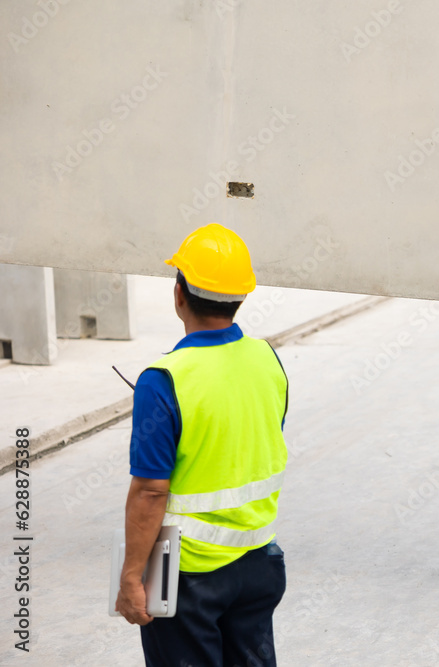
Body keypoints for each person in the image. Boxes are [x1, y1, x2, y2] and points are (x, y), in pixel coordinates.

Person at [115, 223, 290, 667]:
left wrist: (133, 577)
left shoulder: (164, 380)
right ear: (242, 296)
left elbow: (151, 490)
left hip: (181, 567)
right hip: (258, 559)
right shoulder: (266, 358)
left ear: (179, 295)